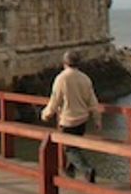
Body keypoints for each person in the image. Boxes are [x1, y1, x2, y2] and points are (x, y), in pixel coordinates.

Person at [41, 50, 102, 183]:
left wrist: (46, 114)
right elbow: (93, 101)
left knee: (69, 149)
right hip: (82, 120)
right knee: (75, 146)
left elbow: (55, 100)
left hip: (68, 120)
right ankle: (69, 170)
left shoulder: (61, 78)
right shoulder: (85, 78)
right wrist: (97, 119)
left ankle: (87, 170)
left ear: (64, 63)